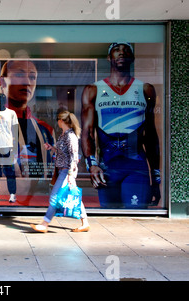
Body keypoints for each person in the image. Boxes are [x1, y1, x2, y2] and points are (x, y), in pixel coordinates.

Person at [81, 42, 161, 209]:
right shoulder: (93, 89)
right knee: (109, 218)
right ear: (109, 57)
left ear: (132, 58)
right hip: (107, 168)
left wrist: (156, 177)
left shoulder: (145, 89)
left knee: (136, 216)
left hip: (137, 168)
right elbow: (87, 132)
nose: (121, 53)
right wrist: (92, 164)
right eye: (116, 50)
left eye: (126, 50)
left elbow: (151, 135)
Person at [31, 111, 90, 233]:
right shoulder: (63, 135)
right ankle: (85, 223)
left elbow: (74, 157)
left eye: (58, 120)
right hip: (61, 170)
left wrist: (70, 174)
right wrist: (52, 148)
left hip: (66, 171)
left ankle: (45, 223)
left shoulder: (70, 136)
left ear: (61, 121)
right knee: (75, 196)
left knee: (54, 196)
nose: (57, 122)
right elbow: (62, 153)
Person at [0, 60, 56, 178]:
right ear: (2, 81)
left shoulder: (46, 130)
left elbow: (52, 170)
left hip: (40, 194)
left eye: (32, 77)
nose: (27, 82)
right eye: (19, 75)